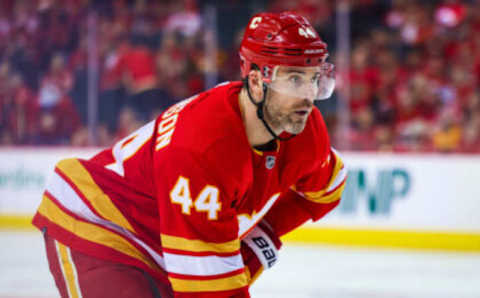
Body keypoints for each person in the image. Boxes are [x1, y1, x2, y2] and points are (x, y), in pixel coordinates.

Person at [32, 11, 347, 298]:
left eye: (315, 79)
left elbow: (327, 190)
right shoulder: (203, 149)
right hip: (101, 226)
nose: (308, 96)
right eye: (294, 79)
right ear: (255, 81)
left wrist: (263, 237)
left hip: (168, 240)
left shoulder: (308, 133)